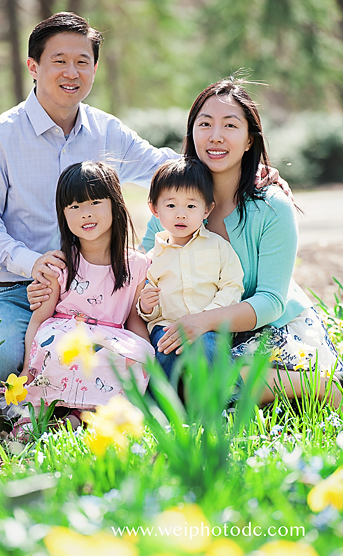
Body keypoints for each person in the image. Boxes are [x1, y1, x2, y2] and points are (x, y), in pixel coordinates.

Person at [0, 12, 177, 383]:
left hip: (101, 286)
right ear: (33, 66)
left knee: (138, 360)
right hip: (19, 287)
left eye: (82, 62)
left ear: (94, 68)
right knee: (1, 362)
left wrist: (246, 168)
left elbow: (163, 167)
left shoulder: (107, 131)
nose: (71, 73)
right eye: (59, 61)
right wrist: (33, 263)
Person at [142, 77, 341, 405]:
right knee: (188, 384)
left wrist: (202, 321)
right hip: (193, 338)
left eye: (230, 125)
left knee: (206, 386)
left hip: (269, 326)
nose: (215, 136)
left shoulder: (272, 206)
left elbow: (271, 300)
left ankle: (319, 386)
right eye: (204, 124)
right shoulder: (171, 206)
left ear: (250, 140)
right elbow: (139, 275)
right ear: (191, 133)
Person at [15, 162, 154, 432]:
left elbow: (135, 322)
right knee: (54, 346)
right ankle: (38, 415)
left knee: (135, 356)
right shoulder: (60, 264)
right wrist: (25, 371)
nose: (85, 214)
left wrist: (147, 357)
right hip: (66, 334)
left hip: (110, 338)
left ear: (115, 204)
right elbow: (39, 320)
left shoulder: (137, 265)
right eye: (74, 207)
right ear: (63, 214)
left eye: (94, 202)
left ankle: (87, 416)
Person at [138, 157, 244, 378]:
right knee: (164, 353)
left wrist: (207, 317)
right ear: (154, 209)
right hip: (167, 327)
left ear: (207, 209)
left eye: (191, 205)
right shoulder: (152, 258)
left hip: (209, 327)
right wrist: (147, 307)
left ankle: (228, 404)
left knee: (208, 346)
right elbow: (149, 306)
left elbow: (232, 285)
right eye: (170, 205)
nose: (181, 214)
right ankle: (166, 408)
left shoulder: (218, 246)